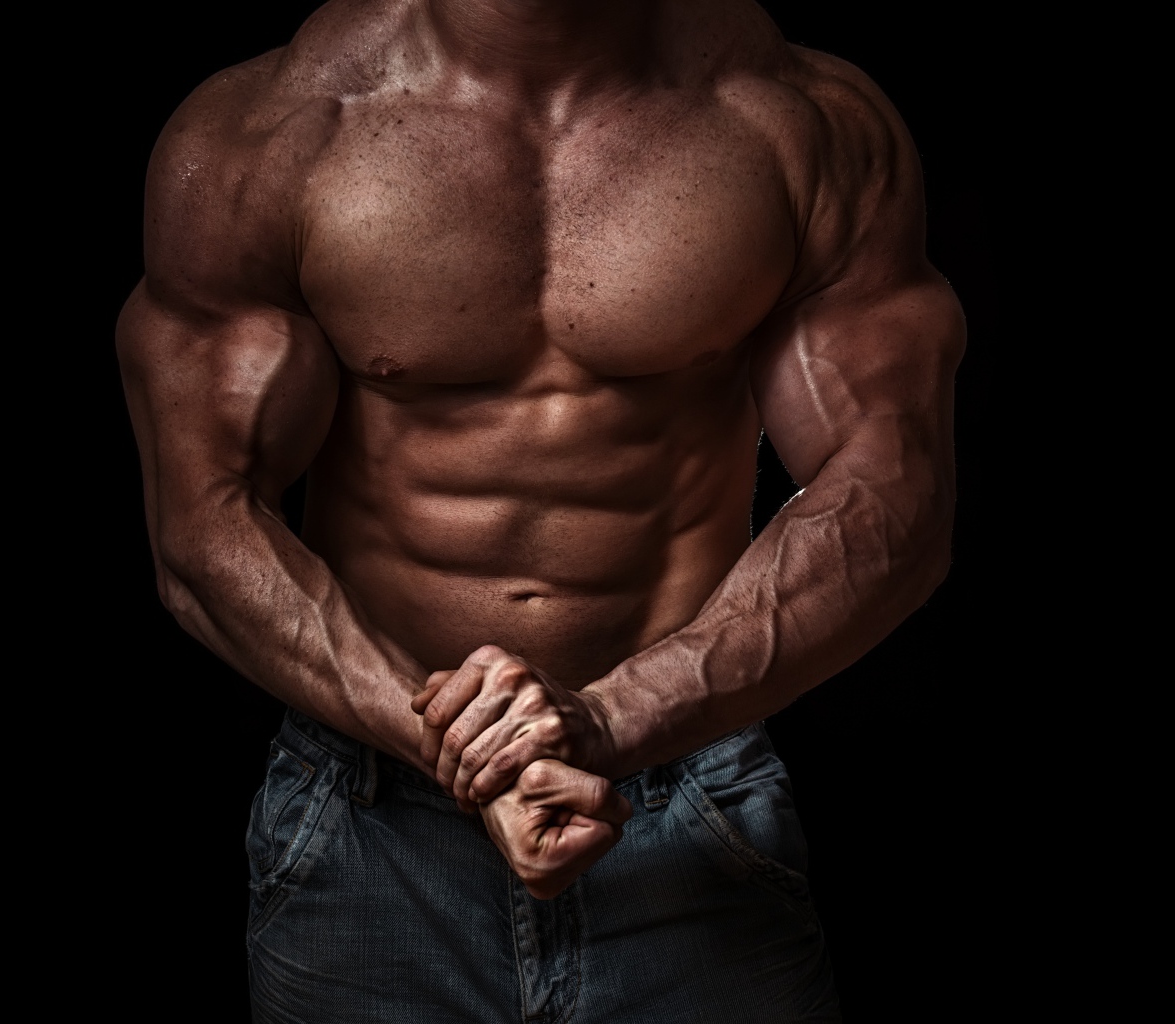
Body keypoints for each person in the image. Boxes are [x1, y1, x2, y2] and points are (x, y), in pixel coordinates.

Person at [117, 0, 963, 1020]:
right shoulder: (270, 135)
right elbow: (201, 528)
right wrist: (459, 749)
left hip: (683, 798)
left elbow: (895, 496)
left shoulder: (795, 121)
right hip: (369, 816)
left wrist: (615, 718)